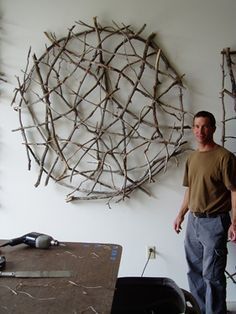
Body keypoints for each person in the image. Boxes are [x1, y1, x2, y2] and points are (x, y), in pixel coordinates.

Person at [173, 111, 236, 314]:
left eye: (206, 126)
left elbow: (234, 191)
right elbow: (190, 190)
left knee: (213, 276)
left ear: (213, 129)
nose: (201, 131)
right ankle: (201, 311)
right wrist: (181, 214)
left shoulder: (224, 157)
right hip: (194, 222)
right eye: (197, 126)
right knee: (194, 272)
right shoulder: (192, 158)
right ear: (193, 129)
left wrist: (235, 223)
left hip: (215, 222)